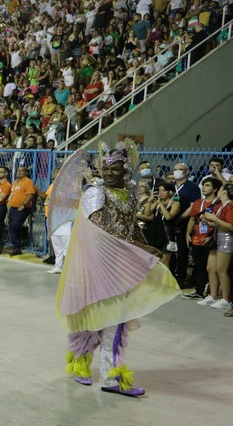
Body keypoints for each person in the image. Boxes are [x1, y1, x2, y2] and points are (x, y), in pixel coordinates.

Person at [57, 143, 179, 397]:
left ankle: (109, 373)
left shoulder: (132, 191)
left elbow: (129, 224)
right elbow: (102, 230)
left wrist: (144, 248)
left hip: (121, 261)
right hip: (98, 260)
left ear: (126, 170)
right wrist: (138, 247)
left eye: (115, 169)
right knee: (94, 314)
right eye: (105, 168)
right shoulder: (95, 192)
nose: (109, 173)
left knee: (116, 318)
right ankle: (84, 366)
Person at [185, 177, 222, 303]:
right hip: (197, 238)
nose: (203, 187)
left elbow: (221, 223)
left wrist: (211, 237)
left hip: (212, 240)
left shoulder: (219, 204)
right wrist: (188, 234)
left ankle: (213, 293)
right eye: (203, 185)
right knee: (199, 266)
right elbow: (192, 220)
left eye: (207, 185)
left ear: (215, 189)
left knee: (211, 268)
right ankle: (199, 291)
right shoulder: (198, 203)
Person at [201, 183, 233, 314]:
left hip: (227, 240)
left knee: (222, 270)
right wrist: (210, 223)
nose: (218, 192)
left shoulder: (230, 206)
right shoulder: (222, 206)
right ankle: (213, 296)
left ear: (224, 192)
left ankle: (226, 299)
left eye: (219, 189)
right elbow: (221, 224)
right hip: (218, 238)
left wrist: (215, 220)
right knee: (211, 268)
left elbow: (231, 227)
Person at [170, 162, 200, 287]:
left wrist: (180, 218)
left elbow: (193, 206)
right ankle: (170, 274)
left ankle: (181, 276)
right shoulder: (170, 187)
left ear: (186, 171)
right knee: (169, 250)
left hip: (185, 223)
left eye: (180, 169)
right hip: (169, 223)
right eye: (175, 169)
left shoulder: (192, 187)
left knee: (182, 250)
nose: (177, 171)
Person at [142, 181, 181, 270]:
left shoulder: (175, 203)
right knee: (153, 260)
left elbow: (168, 217)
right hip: (155, 232)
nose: (161, 193)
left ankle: (166, 282)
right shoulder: (156, 202)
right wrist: (149, 201)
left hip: (167, 233)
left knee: (164, 262)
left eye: (164, 191)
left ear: (170, 192)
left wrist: (160, 204)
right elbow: (147, 213)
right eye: (159, 191)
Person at [7, 165, 36, 256]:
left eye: (21, 171)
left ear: (26, 173)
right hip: (12, 208)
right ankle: (17, 247)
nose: (19, 172)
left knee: (15, 224)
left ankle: (20, 240)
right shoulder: (15, 182)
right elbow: (12, 194)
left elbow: (30, 194)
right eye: (18, 170)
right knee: (11, 226)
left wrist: (24, 204)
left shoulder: (27, 181)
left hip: (23, 208)